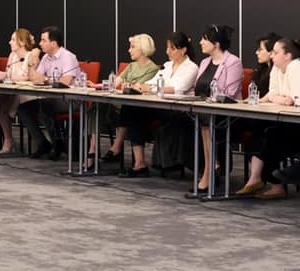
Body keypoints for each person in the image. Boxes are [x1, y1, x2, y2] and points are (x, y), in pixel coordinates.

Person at [241, 37, 300, 198]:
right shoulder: (276, 69)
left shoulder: (296, 68)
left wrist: (282, 99)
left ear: (287, 56)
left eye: (276, 53)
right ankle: (271, 182)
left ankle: (271, 182)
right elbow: (272, 95)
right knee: (266, 134)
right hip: (290, 121)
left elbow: (298, 101)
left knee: (271, 137)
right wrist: (282, 99)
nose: (272, 56)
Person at [119, 31, 199, 178]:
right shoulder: (167, 66)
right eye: (167, 48)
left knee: (137, 111)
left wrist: (150, 88)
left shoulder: (191, 68)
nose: (167, 52)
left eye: (171, 48)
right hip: (161, 106)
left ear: (183, 50)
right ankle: (140, 164)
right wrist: (140, 86)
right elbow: (153, 81)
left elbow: (178, 89)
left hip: (179, 110)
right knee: (132, 109)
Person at [184, 24, 246, 195]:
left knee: (206, 120)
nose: (200, 42)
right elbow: (196, 89)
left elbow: (230, 94)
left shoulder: (233, 62)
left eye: (204, 39)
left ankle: (209, 172)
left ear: (216, 44)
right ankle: (213, 166)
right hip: (207, 112)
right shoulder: (204, 62)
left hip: (229, 114)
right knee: (201, 119)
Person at [97, 34, 160, 170]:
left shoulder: (153, 69)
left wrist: (129, 86)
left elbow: (140, 89)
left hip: (141, 108)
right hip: (123, 105)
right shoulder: (131, 66)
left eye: (132, 47)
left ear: (142, 49)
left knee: (129, 107)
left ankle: (116, 147)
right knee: (97, 107)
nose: (129, 50)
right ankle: (94, 152)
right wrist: (97, 85)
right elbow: (115, 83)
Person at [16, 27, 81, 159]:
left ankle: (57, 144)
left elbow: (65, 82)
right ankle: (43, 143)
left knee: (44, 107)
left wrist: (45, 79)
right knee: (23, 109)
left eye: (43, 40)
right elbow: (34, 78)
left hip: (72, 99)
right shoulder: (46, 57)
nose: (40, 43)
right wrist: (31, 60)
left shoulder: (68, 57)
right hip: (52, 99)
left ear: (53, 43)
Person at [0, 27, 40, 155]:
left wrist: (7, 76)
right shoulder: (12, 56)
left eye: (13, 39)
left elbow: (28, 77)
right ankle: (8, 138)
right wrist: (0, 75)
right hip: (14, 91)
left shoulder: (32, 56)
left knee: (4, 102)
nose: (9, 42)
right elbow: (9, 75)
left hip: (28, 94)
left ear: (22, 42)